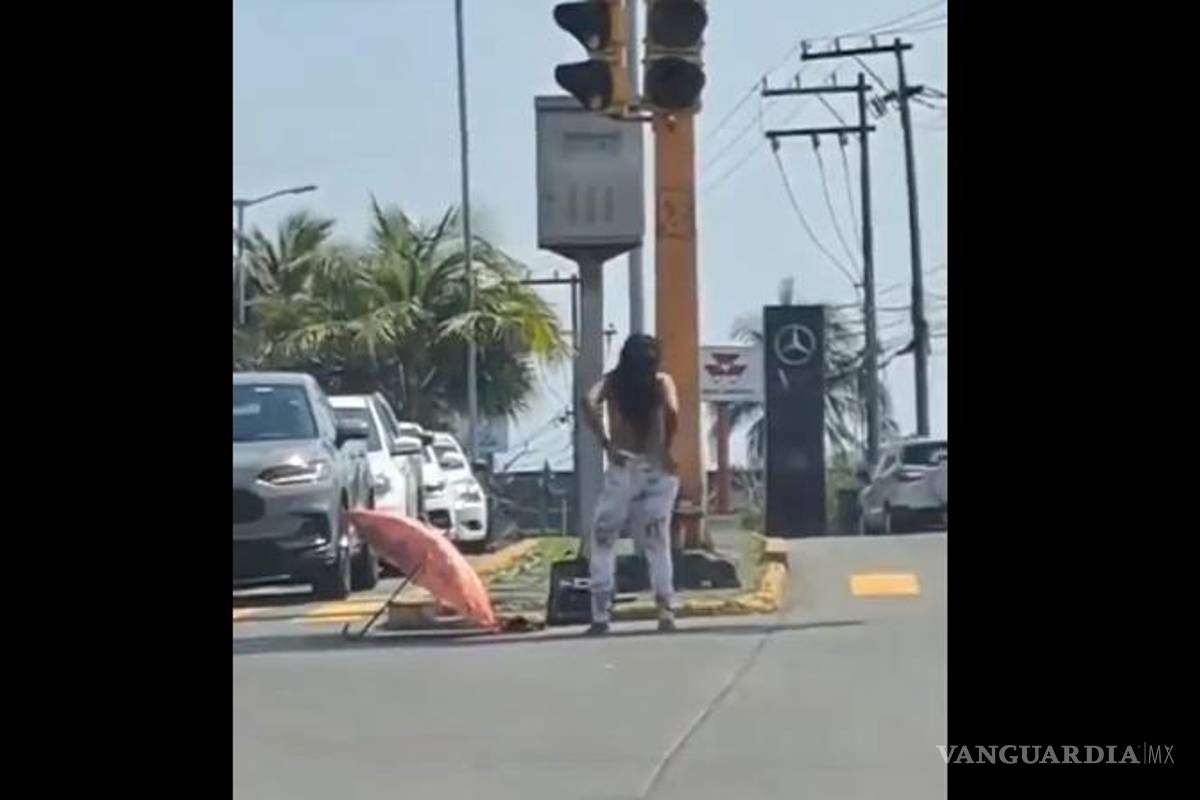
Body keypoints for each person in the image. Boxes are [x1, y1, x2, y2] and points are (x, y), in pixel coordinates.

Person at [582, 334, 680, 634]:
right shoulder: (662, 382)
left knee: (603, 539)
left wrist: (605, 442)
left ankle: (600, 615)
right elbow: (674, 411)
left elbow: (588, 401)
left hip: (623, 467)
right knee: (657, 542)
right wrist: (665, 447)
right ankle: (665, 612)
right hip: (657, 471)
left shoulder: (613, 383)